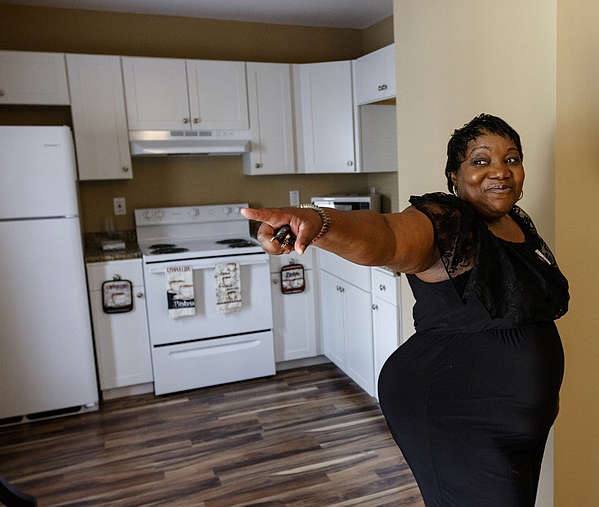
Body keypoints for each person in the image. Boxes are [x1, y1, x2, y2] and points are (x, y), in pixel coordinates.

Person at [241, 113, 569, 506]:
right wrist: (317, 221)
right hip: (458, 415)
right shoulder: (449, 222)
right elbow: (388, 236)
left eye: (511, 159)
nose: (500, 171)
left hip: (518, 425)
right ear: (453, 176)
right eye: (480, 161)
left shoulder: (516, 224)